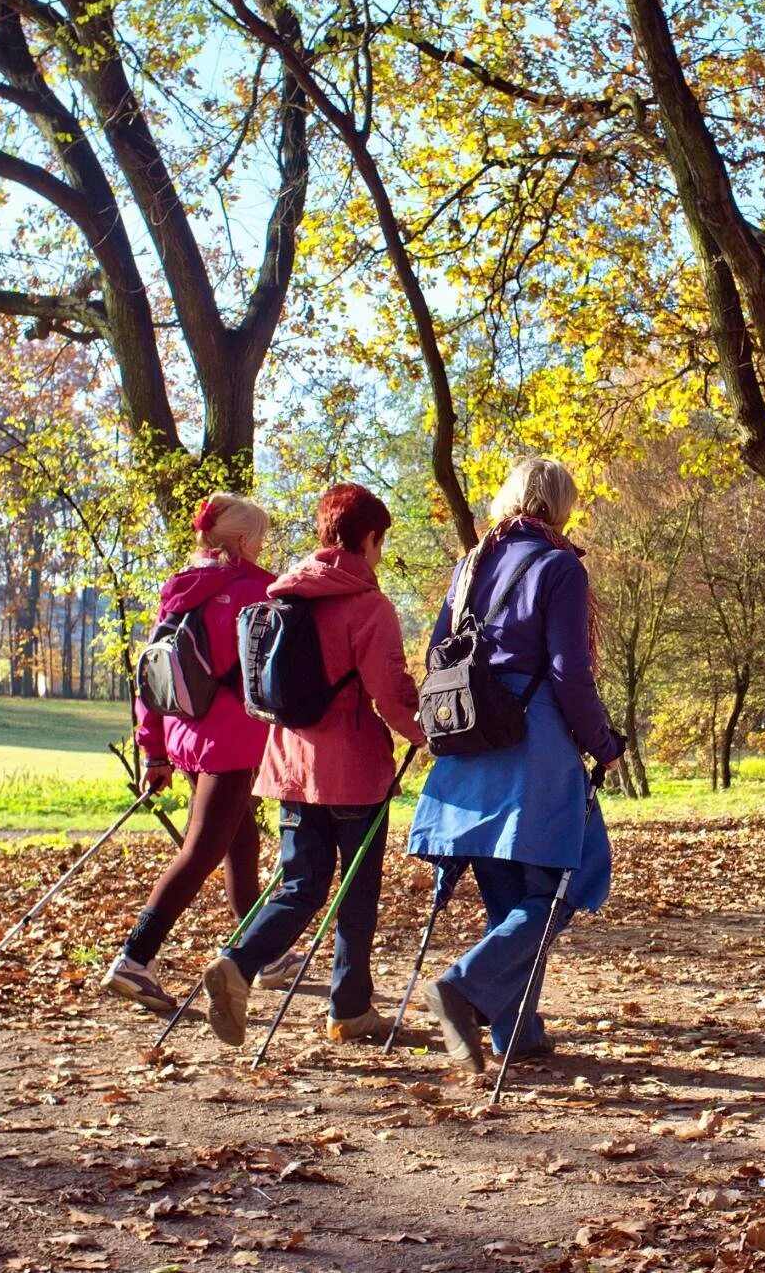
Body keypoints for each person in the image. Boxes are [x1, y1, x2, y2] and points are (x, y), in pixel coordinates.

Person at [407, 457, 625, 1073]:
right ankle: (466, 985)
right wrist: (602, 741)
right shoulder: (559, 567)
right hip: (537, 741)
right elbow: (569, 672)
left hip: (470, 742)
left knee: (506, 889)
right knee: (567, 882)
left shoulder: (469, 564)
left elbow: (436, 654)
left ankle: (517, 1030)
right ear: (560, 506)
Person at [200, 483, 426, 1047]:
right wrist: (428, 734)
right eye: (380, 542)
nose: (379, 554)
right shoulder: (368, 605)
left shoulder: (284, 596)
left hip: (289, 765)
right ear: (369, 539)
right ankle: (349, 1009)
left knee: (300, 885)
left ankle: (238, 961)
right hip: (353, 769)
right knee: (355, 890)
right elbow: (390, 692)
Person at [104, 493, 296, 1012]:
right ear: (239, 541)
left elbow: (151, 674)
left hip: (186, 735)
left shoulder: (180, 591)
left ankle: (262, 953)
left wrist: (155, 751)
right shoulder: (258, 590)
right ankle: (134, 959)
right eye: (257, 537)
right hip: (232, 740)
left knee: (238, 842)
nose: (261, 546)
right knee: (202, 851)